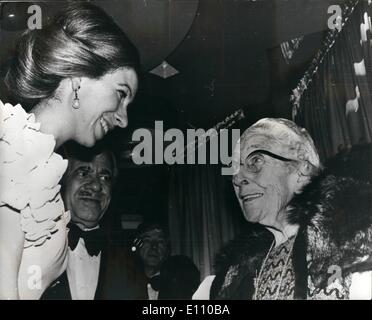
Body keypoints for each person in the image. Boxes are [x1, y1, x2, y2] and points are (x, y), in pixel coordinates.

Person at [0, 2, 139, 299]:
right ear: (78, 78)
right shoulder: (11, 152)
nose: (124, 118)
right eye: (121, 94)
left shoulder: (39, 168)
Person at [194, 118, 372, 300]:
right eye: (234, 168)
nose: (237, 179)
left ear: (302, 172)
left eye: (255, 161)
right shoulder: (228, 278)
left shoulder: (358, 250)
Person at [41, 144, 117, 300]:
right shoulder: (33, 248)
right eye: (83, 173)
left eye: (105, 177)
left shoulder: (129, 263)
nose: (96, 186)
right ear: (62, 181)